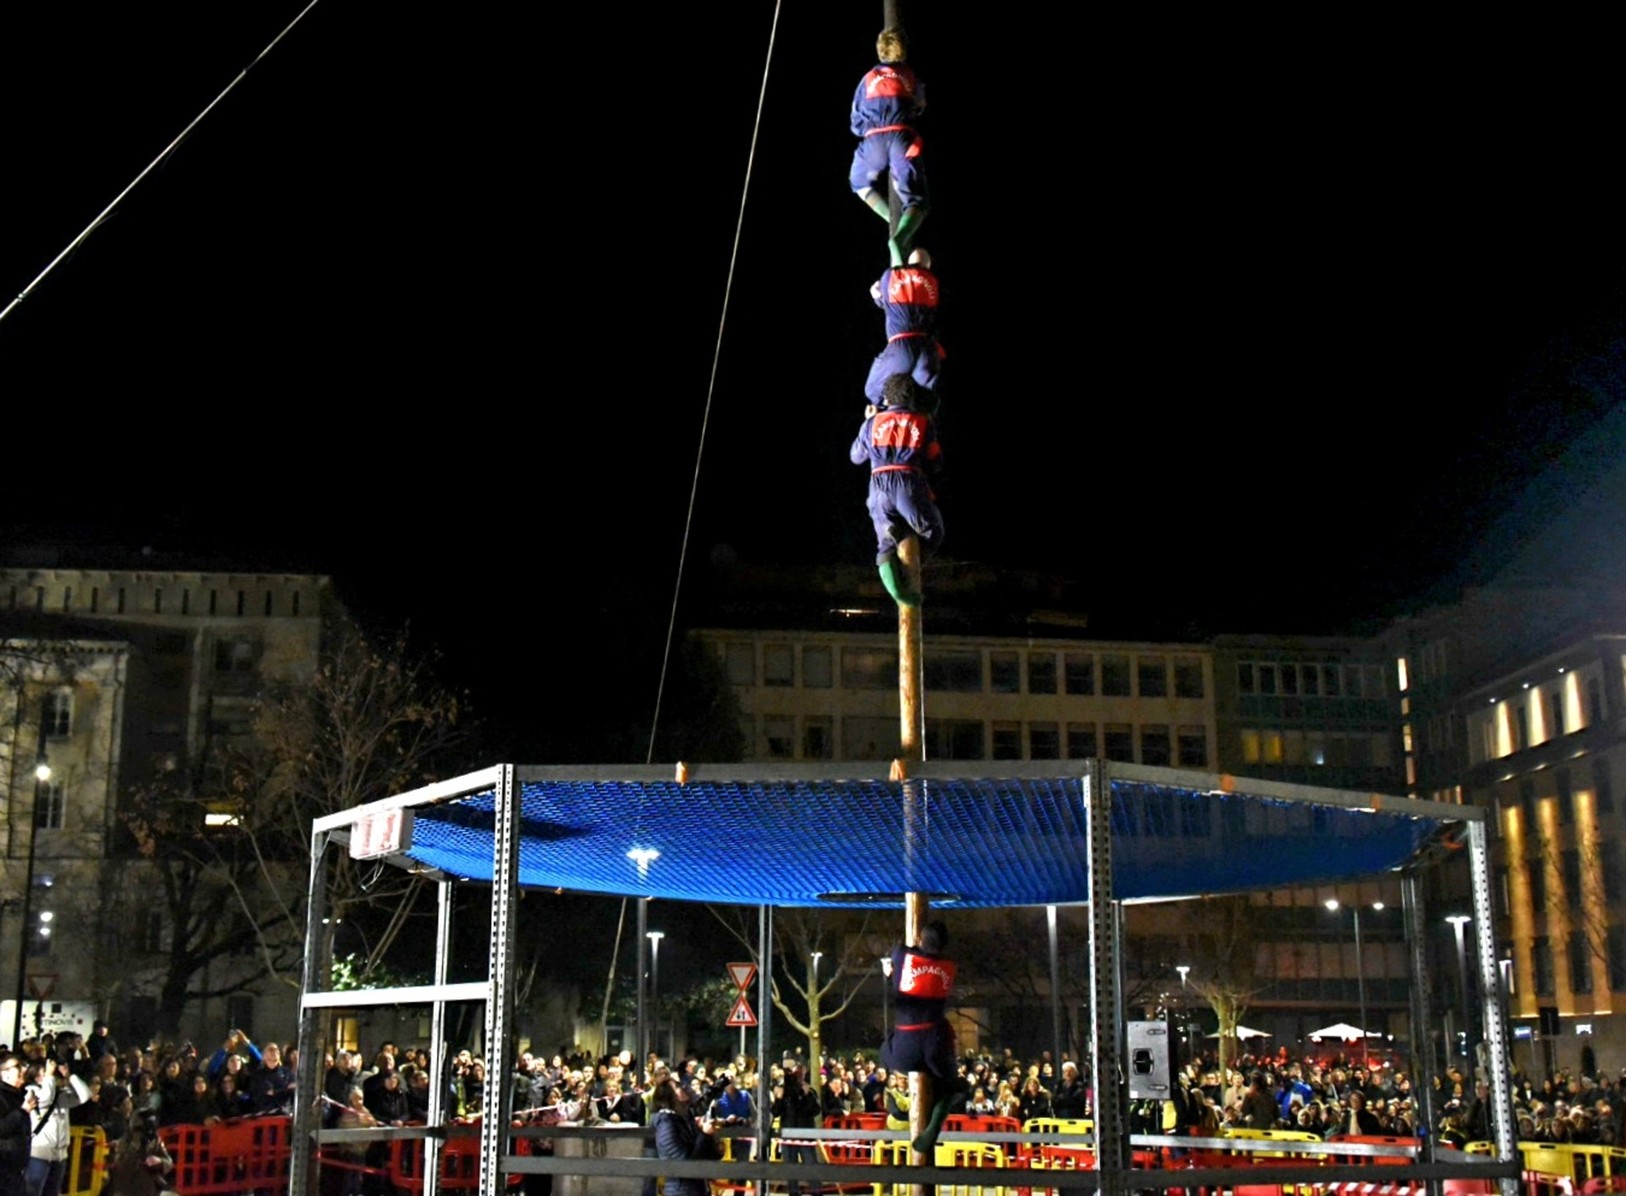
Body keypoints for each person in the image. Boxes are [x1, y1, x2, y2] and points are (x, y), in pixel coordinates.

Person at [850, 373, 943, 608]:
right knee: (933, 530)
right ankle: (909, 574)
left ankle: (898, 592)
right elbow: (936, 460)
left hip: (878, 485)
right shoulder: (922, 420)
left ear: (887, 397)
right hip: (908, 481)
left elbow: (856, 457)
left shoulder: (872, 424)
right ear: (911, 397)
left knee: (884, 545)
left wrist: (867, 421)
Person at [880, 920, 968, 1153]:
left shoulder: (902, 955)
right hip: (935, 1041)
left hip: (904, 1045)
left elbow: (901, 963)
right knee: (953, 1085)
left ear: (919, 939)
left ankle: (926, 1123)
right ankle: (934, 1125)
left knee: (884, 1052)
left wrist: (891, 974)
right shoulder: (950, 965)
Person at [848, 26, 929, 264]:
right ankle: (900, 232)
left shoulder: (867, 79)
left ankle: (891, 219)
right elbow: (919, 105)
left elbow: (855, 120)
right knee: (918, 200)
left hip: (873, 139)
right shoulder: (910, 76)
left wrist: (870, 132)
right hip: (901, 138)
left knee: (859, 183)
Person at [863, 249, 943, 405]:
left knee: (873, 391)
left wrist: (876, 296)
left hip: (901, 346)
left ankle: (884, 418)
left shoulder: (890, 277)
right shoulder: (933, 283)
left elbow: (890, 303)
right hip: (926, 349)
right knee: (928, 400)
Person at [25, 1056, 88, 1196]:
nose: (53, 1077)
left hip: (60, 1156)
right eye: (47, 1074)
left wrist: (69, 1076)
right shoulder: (30, 1091)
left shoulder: (60, 1096)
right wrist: (49, 1076)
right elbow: (45, 1099)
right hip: (39, 1155)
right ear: (36, 1076)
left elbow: (84, 1096)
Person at [651, 1076, 719, 1196]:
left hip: (697, 1188)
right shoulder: (666, 1123)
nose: (683, 1088)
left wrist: (709, 1137)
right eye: (677, 1087)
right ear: (669, 1097)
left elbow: (707, 1155)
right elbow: (683, 1163)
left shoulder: (685, 1119)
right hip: (681, 1190)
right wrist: (704, 1134)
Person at [770, 1065, 821, 1196]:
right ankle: (794, 1193)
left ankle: (816, 1193)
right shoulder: (785, 1092)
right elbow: (775, 1112)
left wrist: (807, 1094)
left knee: (811, 1167)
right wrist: (779, 1099)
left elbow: (815, 1110)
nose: (798, 1077)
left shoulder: (810, 1091)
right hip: (788, 1134)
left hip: (806, 1134)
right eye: (795, 1074)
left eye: (800, 1074)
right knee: (791, 1168)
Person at [0, 1055, 38, 1196]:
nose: (22, 1069)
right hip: (4, 1168)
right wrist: (22, 1111)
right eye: (17, 1067)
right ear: (5, 1073)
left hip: (18, 1168)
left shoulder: (18, 1095)